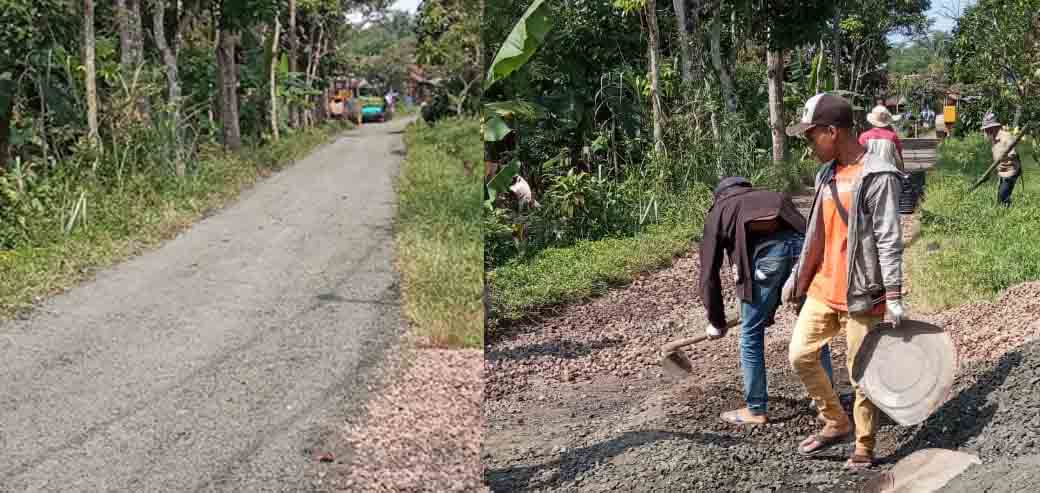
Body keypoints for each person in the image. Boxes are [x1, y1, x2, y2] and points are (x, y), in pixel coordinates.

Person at [783, 92, 905, 470]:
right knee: (800, 355)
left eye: (811, 135)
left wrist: (895, 293)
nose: (808, 144)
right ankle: (836, 420)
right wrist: (796, 278)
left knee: (861, 374)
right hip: (823, 287)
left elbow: (888, 235)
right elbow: (816, 234)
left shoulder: (878, 175)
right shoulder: (825, 174)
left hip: (862, 293)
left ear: (832, 131)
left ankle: (865, 444)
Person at [699, 176, 834, 426]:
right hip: (801, 252)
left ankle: (756, 408)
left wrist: (716, 321)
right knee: (814, 327)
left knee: (751, 334)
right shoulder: (773, 196)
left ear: (718, 196)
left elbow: (708, 273)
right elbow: (808, 234)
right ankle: (826, 404)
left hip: (767, 259)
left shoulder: (719, 211)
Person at [981, 112, 1022, 207]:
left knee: (1003, 196)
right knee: (1000, 196)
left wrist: (1004, 157)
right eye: (986, 129)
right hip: (1002, 172)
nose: (986, 131)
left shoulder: (1006, 136)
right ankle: (1005, 211)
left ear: (994, 127)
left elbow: (1013, 153)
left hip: (1011, 172)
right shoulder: (994, 138)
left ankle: (1009, 213)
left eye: (988, 129)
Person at [860, 105, 905, 171]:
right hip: (888, 174)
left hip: (868, 175)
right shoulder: (892, 137)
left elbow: (859, 159)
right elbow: (899, 160)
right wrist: (902, 173)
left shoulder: (864, 137)